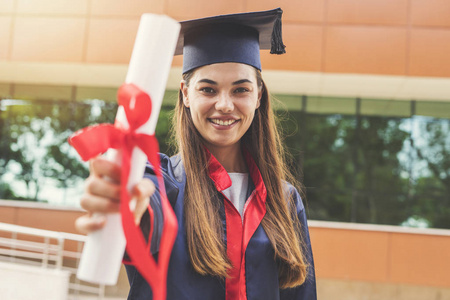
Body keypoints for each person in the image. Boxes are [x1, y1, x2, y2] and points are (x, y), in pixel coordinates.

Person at [76, 8, 317, 300]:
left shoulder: (285, 200)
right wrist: (125, 204)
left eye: (240, 89)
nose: (225, 105)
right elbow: (145, 208)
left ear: (259, 96)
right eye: (208, 89)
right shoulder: (162, 183)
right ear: (186, 94)